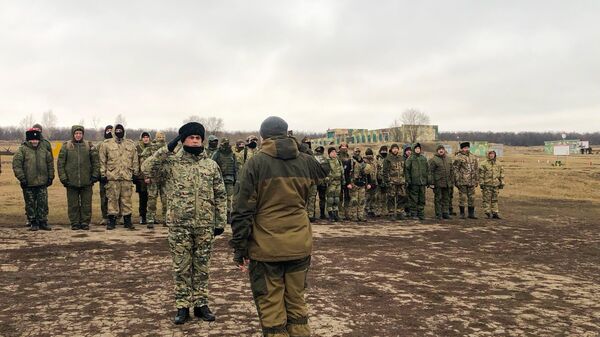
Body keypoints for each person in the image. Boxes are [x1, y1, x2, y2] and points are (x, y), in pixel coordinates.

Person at [230, 116, 328, 337]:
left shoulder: (255, 163)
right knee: (297, 303)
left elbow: (241, 210)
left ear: (263, 136)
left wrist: (240, 247)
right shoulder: (305, 160)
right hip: (299, 244)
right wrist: (300, 145)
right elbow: (324, 169)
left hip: (266, 248)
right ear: (286, 134)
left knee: (272, 308)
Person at [142, 122, 226, 324]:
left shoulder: (210, 165)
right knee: (181, 268)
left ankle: (201, 304)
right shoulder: (171, 163)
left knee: (202, 267)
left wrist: (220, 220)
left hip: (204, 225)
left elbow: (220, 194)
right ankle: (182, 306)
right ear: (183, 140)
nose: (195, 140)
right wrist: (167, 148)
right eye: (191, 137)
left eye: (198, 137)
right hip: (179, 225)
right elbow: (146, 168)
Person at [57, 125, 100, 230]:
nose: (78, 135)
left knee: (86, 204)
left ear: (83, 134)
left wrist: (94, 176)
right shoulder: (66, 146)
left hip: (87, 181)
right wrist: (63, 178)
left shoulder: (89, 146)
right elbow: (60, 164)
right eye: (76, 133)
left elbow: (96, 162)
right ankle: (75, 223)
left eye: (80, 133)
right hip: (71, 182)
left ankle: (85, 222)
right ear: (73, 134)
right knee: (73, 204)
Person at [99, 124, 139, 230]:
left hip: (126, 177)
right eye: (116, 130)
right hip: (112, 177)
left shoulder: (130, 144)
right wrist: (103, 174)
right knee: (112, 199)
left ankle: (127, 221)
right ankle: (111, 221)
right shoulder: (106, 144)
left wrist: (135, 173)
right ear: (113, 132)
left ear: (123, 131)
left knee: (126, 200)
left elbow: (135, 160)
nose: (118, 131)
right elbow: (102, 160)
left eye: (120, 130)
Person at [13, 128, 54, 231]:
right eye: (32, 139)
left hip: (42, 182)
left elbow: (50, 164)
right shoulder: (22, 150)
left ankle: (43, 222)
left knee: (43, 203)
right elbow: (17, 165)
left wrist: (50, 177)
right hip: (28, 183)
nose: (35, 141)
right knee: (30, 203)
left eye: (36, 139)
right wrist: (22, 178)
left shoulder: (44, 150)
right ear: (28, 140)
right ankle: (33, 222)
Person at [142, 131, 168, 227]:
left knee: (166, 200)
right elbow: (144, 164)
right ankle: (150, 219)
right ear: (155, 137)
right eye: (159, 136)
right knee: (152, 200)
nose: (161, 137)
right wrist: (146, 176)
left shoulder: (169, 149)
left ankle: (166, 219)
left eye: (162, 136)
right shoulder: (149, 149)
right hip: (153, 178)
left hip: (165, 179)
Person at [212, 137, 237, 223]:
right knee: (219, 198)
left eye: (227, 144)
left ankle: (228, 216)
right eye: (224, 144)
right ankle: (219, 215)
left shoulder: (232, 154)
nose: (226, 146)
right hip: (219, 178)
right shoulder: (217, 154)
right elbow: (212, 165)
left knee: (229, 199)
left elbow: (235, 167)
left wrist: (235, 179)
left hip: (230, 179)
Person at [453, 142, 479, 219]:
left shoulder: (473, 157)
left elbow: (476, 169)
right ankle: (462, 213)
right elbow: (455, 169)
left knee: (472, 198)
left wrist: (476, 180)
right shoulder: (458, 157)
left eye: (467, 148)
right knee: (462, 197)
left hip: (471, 181)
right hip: (462, 181)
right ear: (461, 149)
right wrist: (457, 180)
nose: (466, 149)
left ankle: (471, 214)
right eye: (464, 148)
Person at [428, 144, 454, 220]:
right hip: (438, 183)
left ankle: (445, 213)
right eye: (439, 149)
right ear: (437, 151)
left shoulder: (448, 159)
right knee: (438, 199)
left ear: (444, 150)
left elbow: (451, 171)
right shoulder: (433, 160)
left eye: (442, 149)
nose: (441, 150)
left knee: (446, 198)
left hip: (447, 183)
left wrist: (452, 181)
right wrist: (431, 183)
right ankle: (438, 214)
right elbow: (430, 172)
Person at [405, 143, 429, 220]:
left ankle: (421, 213)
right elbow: (407, 170)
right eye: (416, 148)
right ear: (413, 149)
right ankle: (413, 213)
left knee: (422, 198)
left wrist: (428, 180)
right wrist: (408, 180)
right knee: (414, 199)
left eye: (419, 148)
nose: (417, 150)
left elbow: (427, 170)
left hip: (422, 182)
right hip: (414, 182)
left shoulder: (423, 159)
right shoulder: (410, 159)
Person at [383, 144, 406, 220]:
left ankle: (400, 212)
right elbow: (385, 171)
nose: (395, 150)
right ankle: (391, 213)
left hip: (401, 182)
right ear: (391, 149)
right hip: (392, 182)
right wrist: (387, 181)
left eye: (396, 148)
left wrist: (405, 179)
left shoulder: (401, 158)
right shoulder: (388, 159)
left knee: (402, 197)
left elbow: (405, 170)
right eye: (394, 148)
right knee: (391, 198)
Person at [348, 148, 372, 222]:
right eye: (356, 151)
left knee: (362, 201)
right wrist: (348, 183)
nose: (357, 153)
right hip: (354, 184)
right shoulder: (350, 161)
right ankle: (353, 216)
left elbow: (368, 174)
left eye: (359, 151)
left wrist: (369, 183)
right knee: (354, 201)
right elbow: (346, 173)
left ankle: (361, 215)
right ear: (353, 152)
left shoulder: (363, 162)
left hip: (362, 183)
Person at [479, 150, 505, 219]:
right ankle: (487, 212)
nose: (491, 155)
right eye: (490, 154)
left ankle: (495, 212)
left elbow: (501, 174)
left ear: (495, 155)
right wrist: (481, 183)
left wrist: (502, 182)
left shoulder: (498, 164)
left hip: (495, 184)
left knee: (495, 199)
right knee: (486, 199)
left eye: (493, 154)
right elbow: (481, 175)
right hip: (487, 184)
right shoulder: (483, 164)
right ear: (488, 155)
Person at [97, 125, 113, 225]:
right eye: (108, 131)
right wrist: (100, 174)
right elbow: (96, 159)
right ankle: (105, 216)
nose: (109, 132)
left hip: (115, 175)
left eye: (111, 131)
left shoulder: (118, 144)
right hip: (104, 175)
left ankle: (115, 216)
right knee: (104, 197)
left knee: (115, 197)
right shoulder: (100, 145)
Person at [135, 132, 152, 225]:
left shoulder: (152, 148)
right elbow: (135, 162)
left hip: (151, 177)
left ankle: (150, 217)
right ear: (141, 138)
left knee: (151, 198)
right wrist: (136, 175)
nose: (146, 139)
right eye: (144, 137)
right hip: (141, 178)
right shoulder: (137, 148)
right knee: (143, 198)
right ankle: (143, 216)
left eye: (147, 137)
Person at [325, 147, 344, 222]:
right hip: (331, 183)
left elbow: (342, 171)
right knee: (330, 199)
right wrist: (328, 179)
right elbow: (325, 172)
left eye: (335, 152)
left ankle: (336, 214)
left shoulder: (338, 161)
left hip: (338, 182)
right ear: (329, 153)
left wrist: (343, 180)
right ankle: (330, 215)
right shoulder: (327, 161)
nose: (334, 153)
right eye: (332, 152)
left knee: (336, 199)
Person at [337, 142, 352, 220]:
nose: (344, 148)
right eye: (342, 146)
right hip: (339, 179)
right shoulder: (337, 156)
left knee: (347, 197)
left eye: (345, 146)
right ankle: (340, 213)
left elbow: (350, 169)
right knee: (339, 197)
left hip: (347, 179)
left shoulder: (349, 156)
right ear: (340, 147)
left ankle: (347, 213)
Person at [363, 148, 379, 218]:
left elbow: (377, 171)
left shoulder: (375, 161)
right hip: (367, 182)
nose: (369, 156)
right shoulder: (364, 162)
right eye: (368, 155)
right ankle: (366, 210)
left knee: (374, 197)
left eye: (370, 155)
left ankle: (372, 210)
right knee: (367, 197)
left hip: (374, 181)